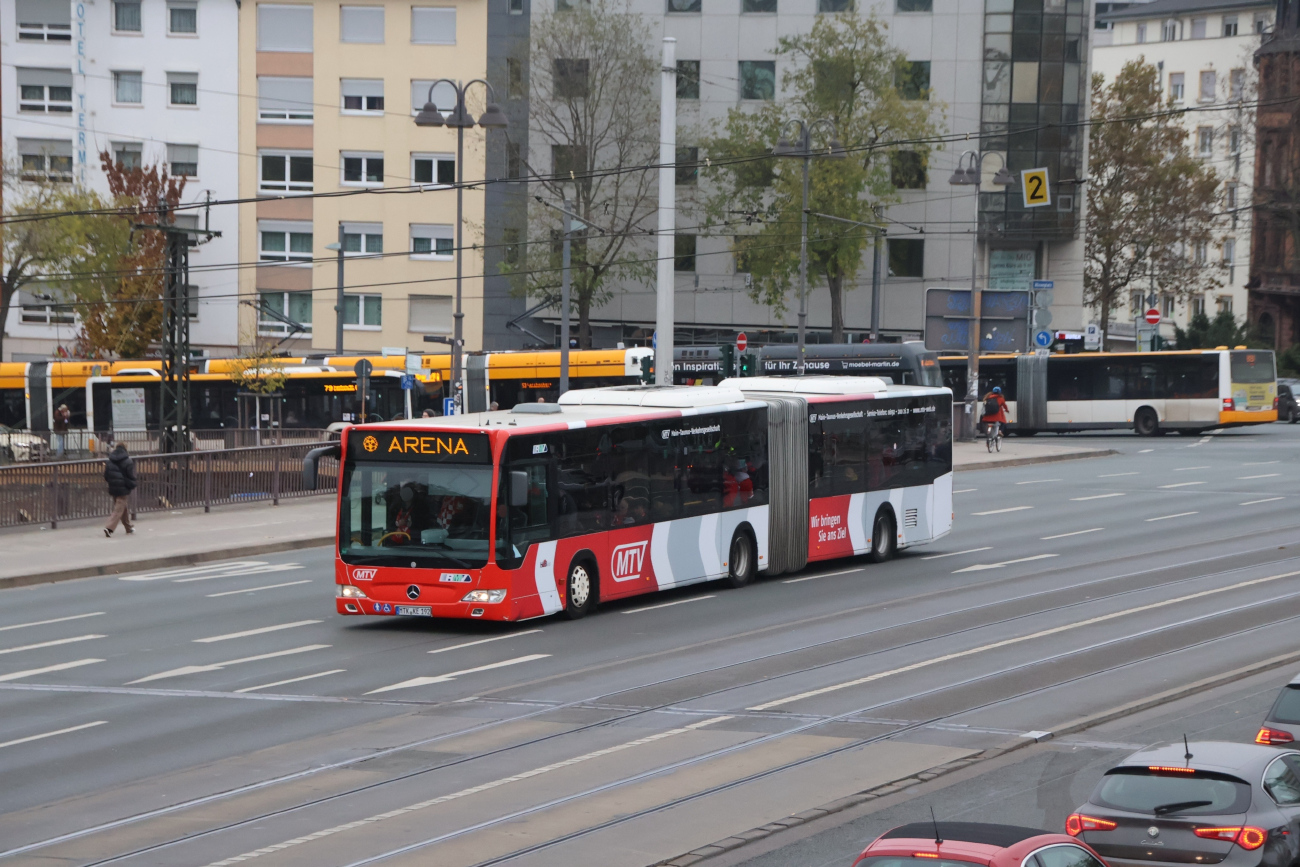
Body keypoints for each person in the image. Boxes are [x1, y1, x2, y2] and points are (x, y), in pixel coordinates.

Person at [103, 443, 137, 537]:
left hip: (113, 487)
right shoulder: (128, 461)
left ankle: (128, 527)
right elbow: (130, 476)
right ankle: (109, 528)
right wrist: (131, 483)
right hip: (123, 488)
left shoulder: (110, 461)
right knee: (118, 509)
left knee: (122, 507)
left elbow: (106, 476)